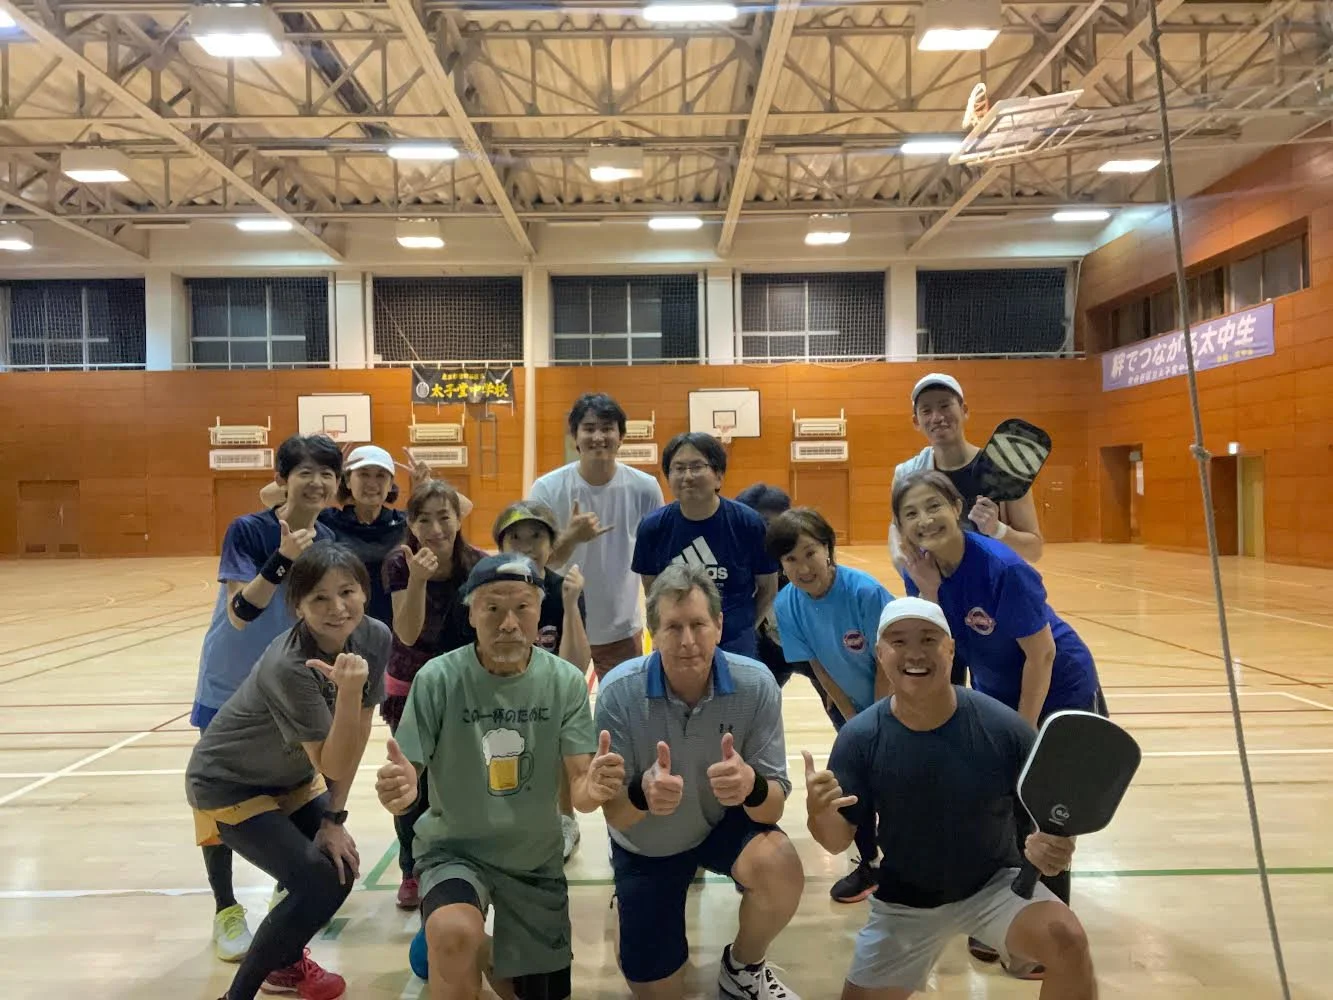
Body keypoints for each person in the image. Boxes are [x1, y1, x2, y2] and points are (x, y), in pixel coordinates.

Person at [805, 597, 1096, 1000]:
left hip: (996, 887)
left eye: (929, 639)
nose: (914, 653)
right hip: (905, 903)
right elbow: (836, 840)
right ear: (880, 654)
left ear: (952, 649)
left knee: (1067, 939)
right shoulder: (859, 739)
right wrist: (818, 813)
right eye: (899, 641)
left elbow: (1052, 815)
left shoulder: (1003, 727)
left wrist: (1054, 844)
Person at [372, 554, 626, 1000]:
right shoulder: (438, 679)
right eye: (492, 608)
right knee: (453, 934)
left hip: (534, 860)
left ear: (539, 612)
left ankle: (487, 954)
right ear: (470, 614)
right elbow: (408, 773)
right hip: (454, 851)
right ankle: (456, 945)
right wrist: (402, 789)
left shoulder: (565, 682)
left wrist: (595, 787)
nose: (508, 623)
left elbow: (582, 793)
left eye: (522, 608)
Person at [893, 469, 1103, 918]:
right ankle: (1004, 910)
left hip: (1058, 686)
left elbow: (1042, 655)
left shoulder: (1003, 568)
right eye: (911, 514)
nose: (924, 520)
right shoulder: (921, 572)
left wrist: (1022, 731)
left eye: (934, 506)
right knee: (998, 800)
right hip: (996, 687)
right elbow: (944, 641)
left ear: (957, 508)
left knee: (1046, 807)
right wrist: (931, 591)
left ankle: (1046, 920)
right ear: (900, 527)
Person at [187, 543, 391, 1000]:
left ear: (364, 592)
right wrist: (348, 693)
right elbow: (333, 761)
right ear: (297, 607)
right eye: (320, 598)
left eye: (347, 592)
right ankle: (236, 995)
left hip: (291, 777)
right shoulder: (289, 665)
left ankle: (284, 964)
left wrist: (334, 819)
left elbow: (356, 739)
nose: (338, 608)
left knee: (338, 869)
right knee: (314, 878)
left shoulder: (373, 636)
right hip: (227, 781)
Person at [594, 564, 804, 1000]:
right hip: (648, 842)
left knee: (780, 865)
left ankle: (742, 969)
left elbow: (773, 806)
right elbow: (616, 814)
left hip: (718, 823)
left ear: (719, 625)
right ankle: (627, 903)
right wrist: (643, 794)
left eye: (698, 624)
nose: (687, 640)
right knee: (658, 993)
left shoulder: (756, 684)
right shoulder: (618, 692)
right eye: (673, 627)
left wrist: (751, 786)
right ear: (652, 632)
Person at [191, 433, 341, 962]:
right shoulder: (250, 531)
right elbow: (240, 613)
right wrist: (282, 558)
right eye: (305, 472)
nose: (317, 482)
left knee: (293, 782)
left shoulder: (327, 539)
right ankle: (226, 908)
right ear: (282, 479)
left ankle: (286, 891)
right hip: (231, 683)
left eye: (327, 473)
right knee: (218, 800)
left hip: (287, 685)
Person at [766, 507, 893, 905]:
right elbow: (818, 665)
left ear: (828, 549)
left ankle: (914, 862)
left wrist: (877, 719)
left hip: (897, 701)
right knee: (855, 785)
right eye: (791, 559)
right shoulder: (786, 604)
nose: (804, 567)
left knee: (900, 783)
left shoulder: (865, 593)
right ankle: (870, 862)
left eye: (810, 553)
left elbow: (889, 660)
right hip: (850, 707)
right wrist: (853, 721)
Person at [381, 479, 487, 909]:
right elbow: (406, 633)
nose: (435, 528)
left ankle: (462, 859)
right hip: (410, 689)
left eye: (444, 517)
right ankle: (410, 868)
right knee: (412, 785)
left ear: (459, 519)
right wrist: (419, 581)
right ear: (410, 523)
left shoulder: (477, 564)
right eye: (423, 519)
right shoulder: (400, 563)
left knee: (463, 778)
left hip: (463, 689)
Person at [259, 444, 473, 627]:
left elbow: (463, 508)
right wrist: (327, 472)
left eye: (381, 476)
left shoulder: (405, 522)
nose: (372, 483)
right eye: (363, 474)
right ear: (347, 481)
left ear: (390, 484)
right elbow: (267, 496)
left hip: (395, 627)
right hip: (339, 622)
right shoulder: (326, 520)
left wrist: (427, 485)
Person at [529, 392, 664, 679]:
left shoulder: (645, 488)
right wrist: (572, 537)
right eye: (589, 429)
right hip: (560, 624)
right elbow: (536, 565)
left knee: (623, 704)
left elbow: (656, 564)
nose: (598, 437)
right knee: (559, 702)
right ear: (575, 438)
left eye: (607, 428)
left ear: (621, 436)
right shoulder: (546, 489)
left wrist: (659, 621)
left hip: (621, 627)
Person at [492, 500, 591, 860]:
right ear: (501, 546)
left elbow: (575, 667)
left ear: (552, 545)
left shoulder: (563, 588)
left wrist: (571, 604)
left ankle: (565, 818)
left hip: (550, 692)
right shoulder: (489, 590)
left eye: (536, 536)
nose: (526, 546)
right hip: (501, 688)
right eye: (515, 537)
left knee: (561, 724)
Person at [633, 432, 779, 659]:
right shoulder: (652, 528)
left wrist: (744, 628)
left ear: (719, 476)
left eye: (697, 467)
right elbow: (652, 592)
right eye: (678, 468)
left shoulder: (748, 523)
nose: (687, 476)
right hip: (678, 642)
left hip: (736, 644)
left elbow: (768, 588)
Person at [891, 374, 1044, 565]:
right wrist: (906, 564)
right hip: (937, 583)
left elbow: (1034, 551)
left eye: (945, 406)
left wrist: (998, 530)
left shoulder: (1004, 469)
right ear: (916, 421)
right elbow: (897, 532)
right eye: (926, 410)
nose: (937, 417)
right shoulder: (907, 474)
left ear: (964, 410)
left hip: (995, 581)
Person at [733, 483, 794, 688]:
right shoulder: (733, 562)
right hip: (762, 647)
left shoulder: (802, 565)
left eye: (767, 525)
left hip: (807, 646)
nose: (760, 533)